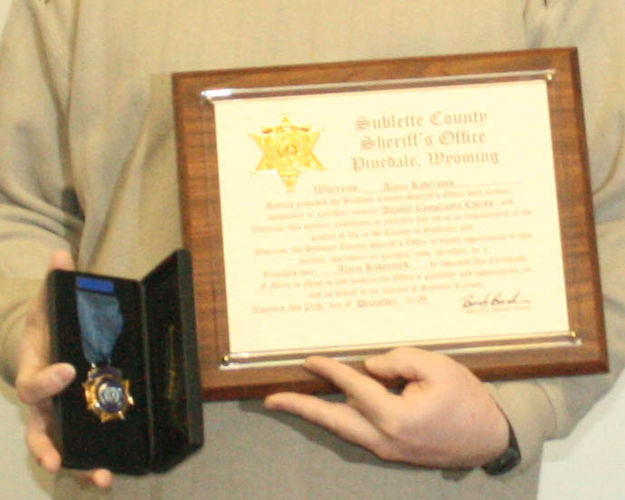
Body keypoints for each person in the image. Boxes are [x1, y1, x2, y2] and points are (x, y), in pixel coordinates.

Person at [0, 0, 624, 498]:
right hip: (147, 476)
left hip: (438, 487)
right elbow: (17, 210)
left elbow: (613, 219)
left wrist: (514, 413)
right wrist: (29, 335)